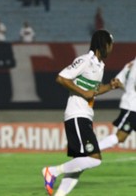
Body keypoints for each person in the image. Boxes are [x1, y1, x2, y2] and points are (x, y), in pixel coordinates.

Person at [42, 29, 120, 196]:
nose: (112, 49)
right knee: (94, 159)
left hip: (85, 115)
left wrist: (111, 86)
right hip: (76, 114)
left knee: (79, 165)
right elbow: (62, 77)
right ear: (103, 45)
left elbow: (94, 89)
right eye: (110, 45)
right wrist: (83, 93)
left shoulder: (100, 66)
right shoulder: (85, 60)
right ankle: (52, 171)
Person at [98, 58, 136, 151]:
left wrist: (128, 89)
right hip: (132, 106)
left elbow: (118, 82)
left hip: (130, 104)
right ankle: (88, 151)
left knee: (121, 137)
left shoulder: (130, 64)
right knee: (121, 136)